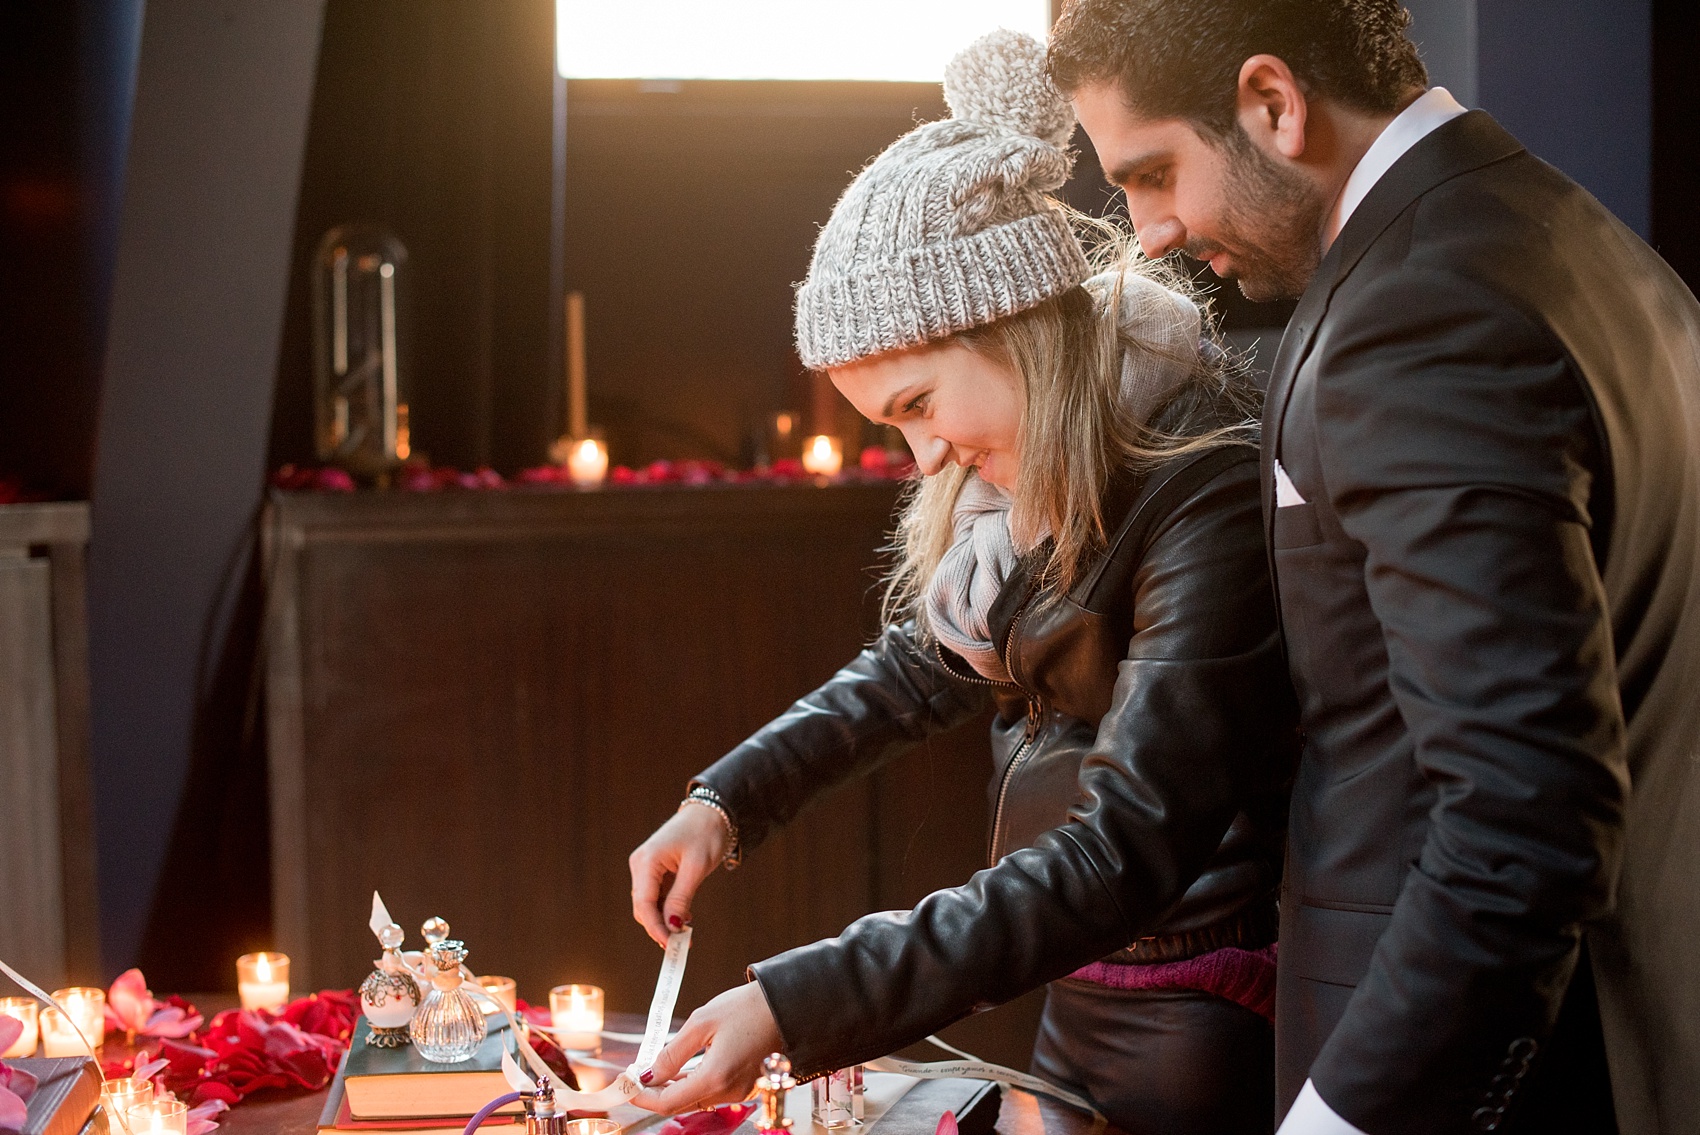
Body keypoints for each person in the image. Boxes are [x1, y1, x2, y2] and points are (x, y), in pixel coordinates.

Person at [636, 2, 1700, 1133]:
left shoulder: (1416, 315)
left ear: (1272, 104)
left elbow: (1511, 825)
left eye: (1149, 172)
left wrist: (1340, 1116)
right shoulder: (1573, 245)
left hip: (1414, 1051)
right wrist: (728, 800)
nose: (1140, 233)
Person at [626, 30, 1296, 1135]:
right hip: (1079, 984)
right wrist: (722, 802)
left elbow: (1119, 848)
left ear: (1014, 327)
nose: (924, 459)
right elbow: (909, 675)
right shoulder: (1018, 492)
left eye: (918, 406)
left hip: (1203, 1016)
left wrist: (794, 1001)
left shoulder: (1198, 487)